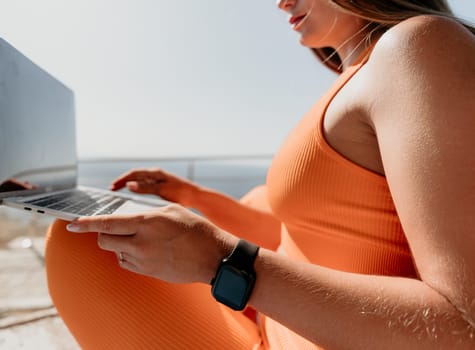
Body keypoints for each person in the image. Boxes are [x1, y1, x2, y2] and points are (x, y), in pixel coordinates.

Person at [45, 0, 475, 349]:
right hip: (278, 316)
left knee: (78, 240)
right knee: (249, 200)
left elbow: (463, 326)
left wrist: (221, 262)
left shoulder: (417, 46)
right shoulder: (366, 71)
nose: (281, 1)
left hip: (287, 332)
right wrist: (191, 196)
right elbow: (309, 238)